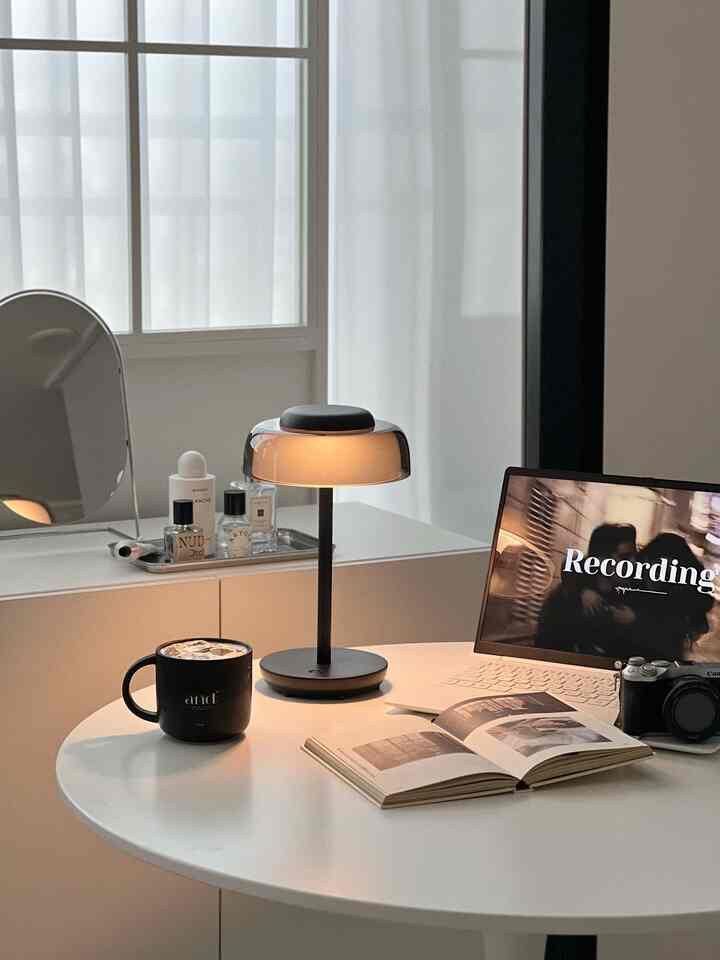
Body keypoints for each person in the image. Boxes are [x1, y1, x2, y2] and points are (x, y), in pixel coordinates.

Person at [536, 523, 638, 658]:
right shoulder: (565, 598)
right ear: (601, 560)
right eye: (625, 557)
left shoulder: (628, 597)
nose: (634, 563)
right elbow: (545, 651)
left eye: (634, 556)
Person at [631, 532, 713, 660]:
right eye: (656, 569)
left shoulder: (681, 597)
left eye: (666, 573)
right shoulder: (634, 579)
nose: (658, 578)